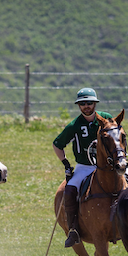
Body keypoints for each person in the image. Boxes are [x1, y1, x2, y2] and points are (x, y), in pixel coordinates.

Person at [52, 88, 114, 247]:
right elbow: (57, 144)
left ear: (95, 103)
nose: (86, 106)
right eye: (82, 103)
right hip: (85, 166)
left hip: (108, 166)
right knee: (70, 189)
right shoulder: (74, 125)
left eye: (89, 103)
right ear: (79, 105)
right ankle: (73, 229)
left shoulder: (106, 118)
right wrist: (66, 163)